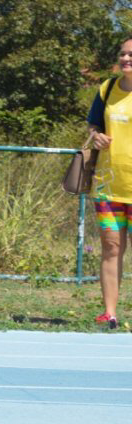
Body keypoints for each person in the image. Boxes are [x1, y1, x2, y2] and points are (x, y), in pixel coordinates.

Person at [88, 36, 132, 329]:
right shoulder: (106, 89)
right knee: (111, 247)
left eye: (131, 55)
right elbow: (93, 124)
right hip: (107, 185)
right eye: (123, 54)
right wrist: (96, 135)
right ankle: (109, 313)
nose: (126, 59)